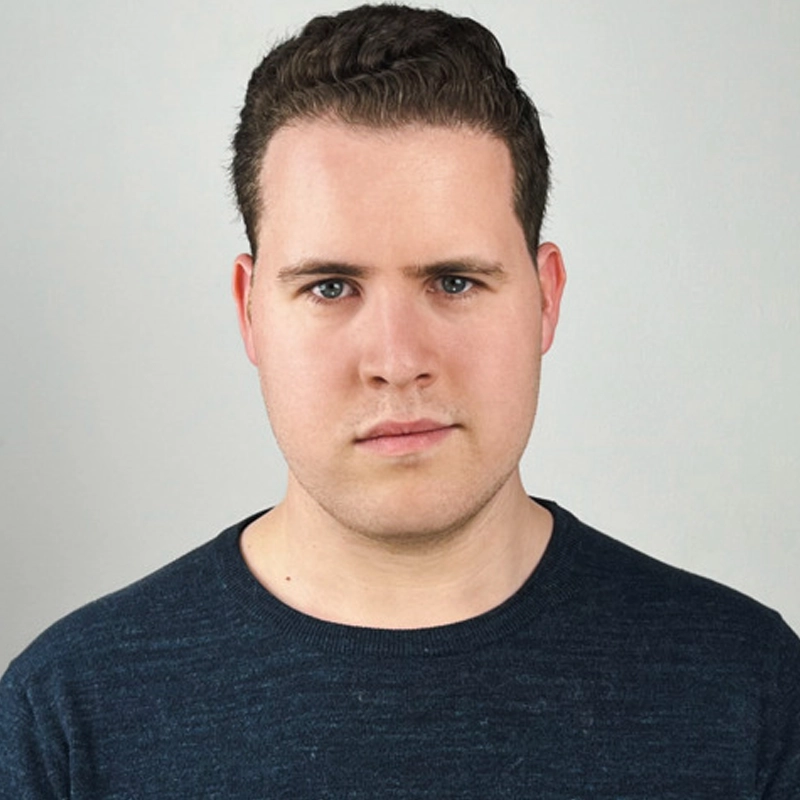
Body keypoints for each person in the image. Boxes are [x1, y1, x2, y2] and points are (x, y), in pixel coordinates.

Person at [1, 4, 797, 797]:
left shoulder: (750, 690)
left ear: (545, 298)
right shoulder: (67, 717)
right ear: (249, 311)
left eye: (455, 282)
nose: (396, 361)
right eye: (330, 286)